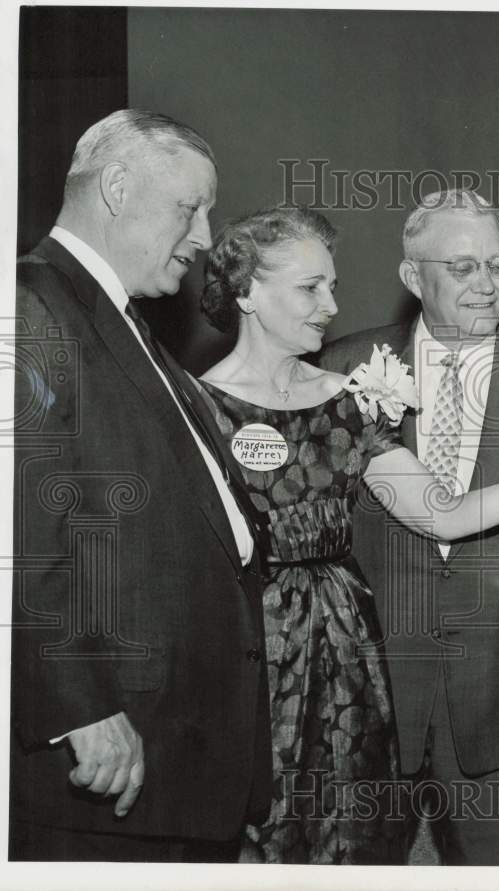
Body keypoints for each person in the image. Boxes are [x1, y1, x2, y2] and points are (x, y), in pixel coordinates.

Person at [180, 192, 499, 864]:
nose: (486, 284)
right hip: (349, 686)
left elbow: (467, 515)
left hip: (497, 704)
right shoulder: (345, 369)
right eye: (463, 266)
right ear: (415, 278)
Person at [10, 109, 273, 862]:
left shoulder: (122, 320)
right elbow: (19, 532)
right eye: (191, 207)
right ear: (118, 187)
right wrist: (80, 708)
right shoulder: (32, 306)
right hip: (107, 766)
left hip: (174, 769)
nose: (203, 236)